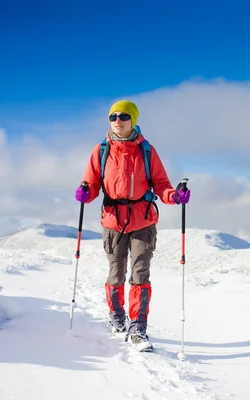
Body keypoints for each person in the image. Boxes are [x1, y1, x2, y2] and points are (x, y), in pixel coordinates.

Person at [74, 99, 190, 351]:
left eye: (123, 116)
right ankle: (117, 315)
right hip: (113, 221)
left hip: (143, 220)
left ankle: (138, 328)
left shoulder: (146, 150)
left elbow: (161, 184)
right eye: (113, 116)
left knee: (140, 275)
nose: (118, 121)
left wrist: (174, 196)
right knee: (115, 274)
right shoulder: (101, 151)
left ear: (133, 120)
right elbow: (91, 184)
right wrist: (85, 192)